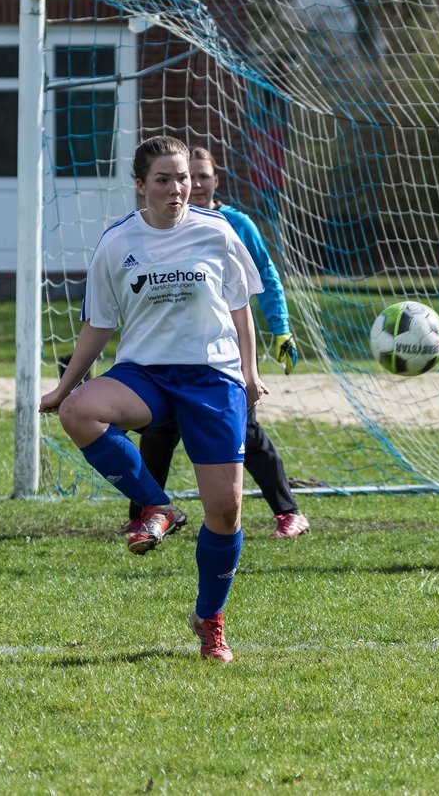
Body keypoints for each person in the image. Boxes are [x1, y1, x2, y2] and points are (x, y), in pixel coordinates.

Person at [40, 135, 266, 662]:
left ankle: (210, 619)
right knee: (80, 412)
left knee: (227, 511)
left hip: (212, 376)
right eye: (163, 180)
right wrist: (64, 387)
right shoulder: (117, 243)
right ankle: (158, 506)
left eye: (183, 178)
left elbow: (239, 309)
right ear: (140, 186)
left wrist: (250, 374)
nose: (176, 189)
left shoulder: (218, 232)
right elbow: (99, 324)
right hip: (146, 373)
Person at [122, 147, 309, 539]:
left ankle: (288, 512)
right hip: (169, 357)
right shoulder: (158, 226)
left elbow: (267, 276)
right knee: (157, 434)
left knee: (246, 432)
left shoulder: (235, 223)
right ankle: (144, 515)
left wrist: (281, 328)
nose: (193, 183)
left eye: (201, 175)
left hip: (221, 357)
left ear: (213, 180)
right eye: (183, 176)